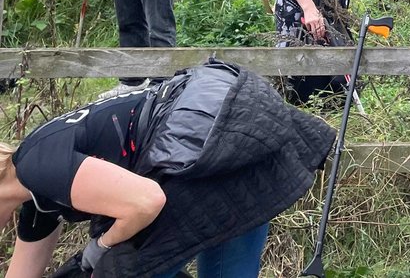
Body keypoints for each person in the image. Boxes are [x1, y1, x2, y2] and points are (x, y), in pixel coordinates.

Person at [0, 62, 335, 278]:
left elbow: (146, 202)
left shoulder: (37, 167)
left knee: (118, 267)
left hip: (215, 140)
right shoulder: (37, 196)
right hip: (228, 128)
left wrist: (98, 248)